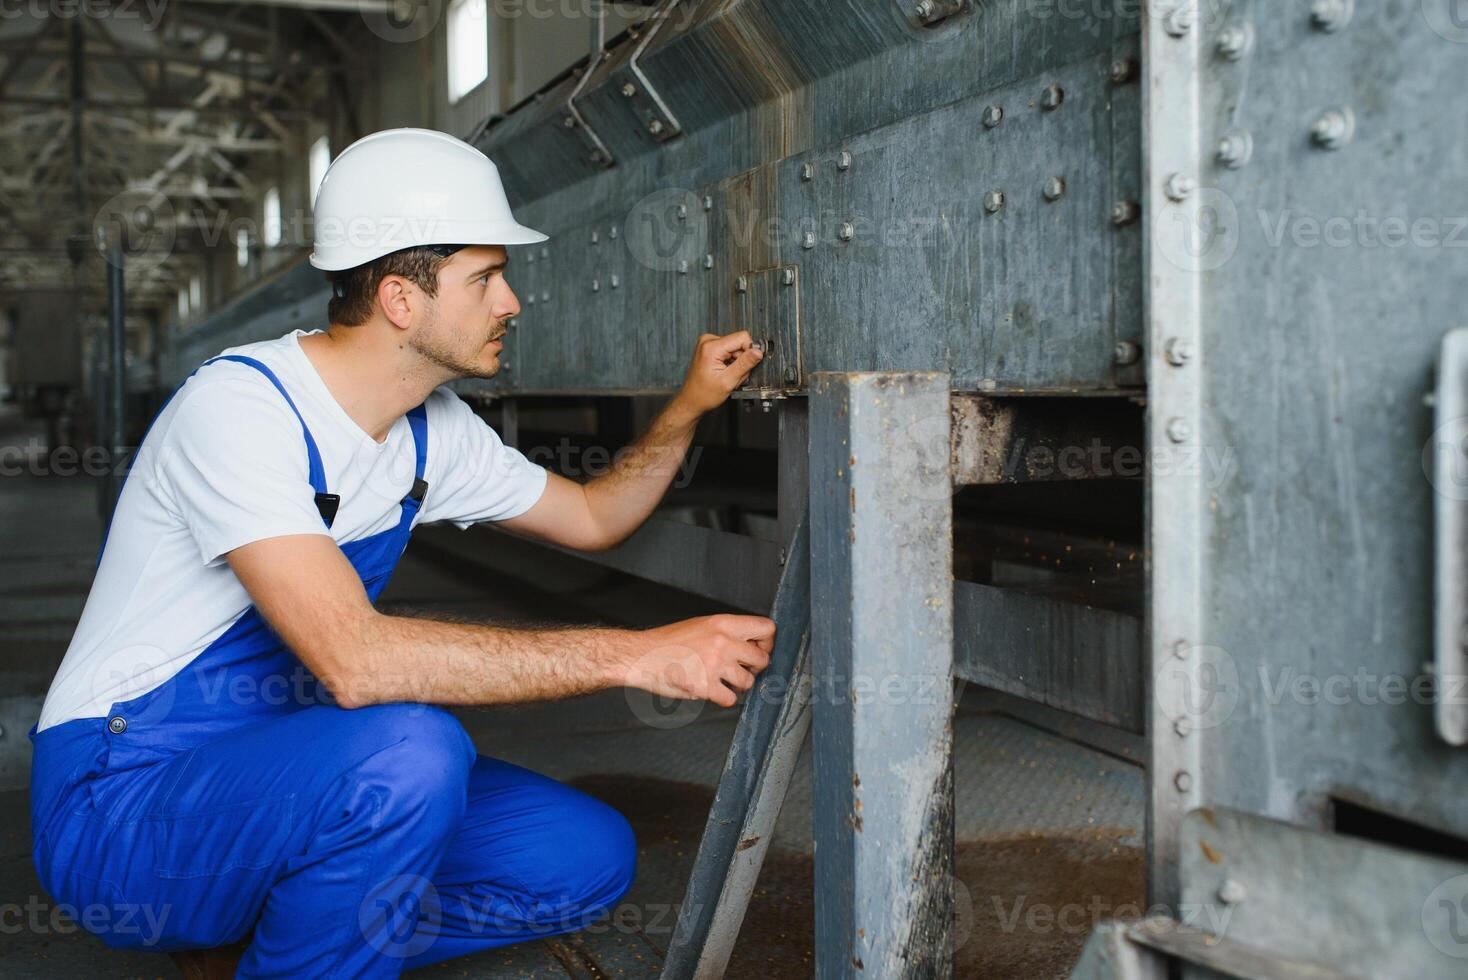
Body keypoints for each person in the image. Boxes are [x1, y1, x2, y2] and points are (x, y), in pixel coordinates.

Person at [27, 127, 775, 978]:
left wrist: (688, 405)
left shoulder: (433, 433)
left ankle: (271, 942)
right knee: (411, 753)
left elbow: (596, 517)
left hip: (288, 763)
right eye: (486, 278)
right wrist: (639, 656)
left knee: (582, 856)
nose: (512, 302)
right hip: (124, 795)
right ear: (400, 299)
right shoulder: (241, 410)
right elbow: (355, 663)